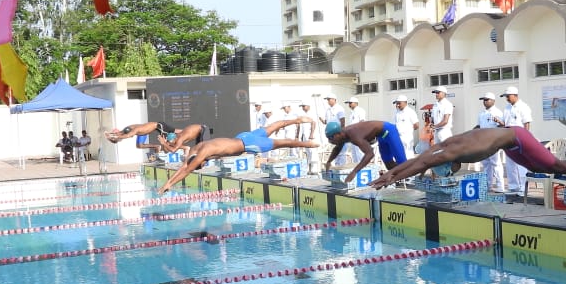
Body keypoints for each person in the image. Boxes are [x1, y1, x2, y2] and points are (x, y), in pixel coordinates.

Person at [368, 126, 566, 193]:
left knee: (551, 165)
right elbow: (415, 161)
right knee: (538, 167)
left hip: (517, 136)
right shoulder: (443, 147)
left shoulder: (450, 152)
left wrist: (390, 179)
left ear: (451, 165)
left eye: (448, 172)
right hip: (509, 143)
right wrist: (390, 174)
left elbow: (419, 165)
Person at [157, 118, 318, 194]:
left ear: (199, 163)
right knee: (272, 127)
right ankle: (297, 120)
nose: (203, 165)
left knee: (284, 143)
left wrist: (170, 184)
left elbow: (186, 170)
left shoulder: (201, 155)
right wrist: (168, 183)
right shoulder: (196, 149)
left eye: (201, 165)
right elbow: (184, 167)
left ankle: (309, 144)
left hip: (249, 144)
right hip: (243, 136)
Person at [323, 119, 408, 184]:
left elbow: (370, 154)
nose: (330, 141)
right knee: (388, 163)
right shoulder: (343, 136)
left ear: (338, 134)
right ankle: (400, 182)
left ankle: (409, 179)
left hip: (388, 130)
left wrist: (354, 171)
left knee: (402, 163)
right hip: (380, 136)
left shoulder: (353, 135)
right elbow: (337, 148)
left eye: (331, 138)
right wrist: (329, 161)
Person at [501, 85, 533, 193]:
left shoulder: (523, 107)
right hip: (508, 139)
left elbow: (527, 123)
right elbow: (505, 123)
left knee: (521, 165)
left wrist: (526, 139)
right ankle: (513, 186)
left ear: (515, 95)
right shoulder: (507, 108)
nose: (507, 98)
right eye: (506, 96)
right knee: (510, 164)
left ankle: (523, 188)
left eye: (508, 96)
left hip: (520, 139)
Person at [476, 92, 506, 193]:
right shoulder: (481, 114)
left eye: (487, 100)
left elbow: (503, 126)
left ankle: (500, 186)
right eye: (484, 100)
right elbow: (479, 127)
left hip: (493, 142)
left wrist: (499, 122)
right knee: (486, 164)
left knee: (496, 164)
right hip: (483, 142)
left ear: (493, 101)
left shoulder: (498, 112)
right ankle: (487, 185)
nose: (485, 102)